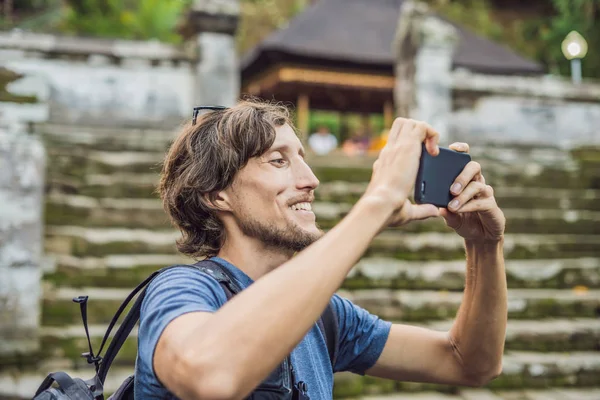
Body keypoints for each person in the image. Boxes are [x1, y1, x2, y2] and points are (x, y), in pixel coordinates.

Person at [134, 100, 507, 399]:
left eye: (303, 159)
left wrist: (484, 245)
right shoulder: (181, 290)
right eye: (279, 161)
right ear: (217, 194)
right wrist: (376, 203)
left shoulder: (327, 316)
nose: (310, 180)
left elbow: (470, 363)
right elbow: (209, 376)